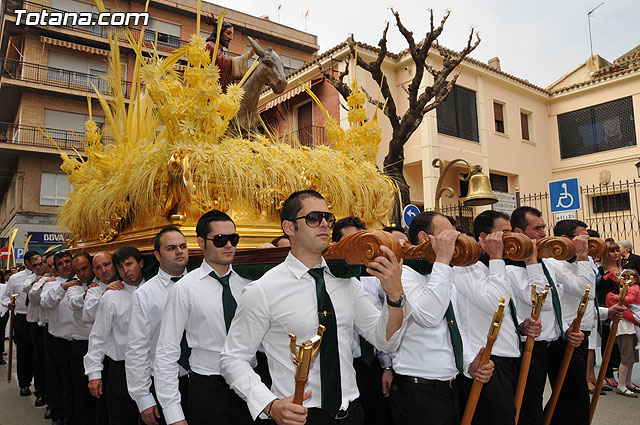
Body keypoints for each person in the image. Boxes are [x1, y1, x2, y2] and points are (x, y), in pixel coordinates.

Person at [221, 190, 409, 425]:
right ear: (289, 227)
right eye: (313, 218)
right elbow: (233, 358)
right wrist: (269, 404)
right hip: (299, 416)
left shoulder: (347, 284)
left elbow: (386, 341)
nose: (323, 224)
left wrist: (394, 295)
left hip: (352, 413)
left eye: (327, 218)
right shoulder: (263, 290)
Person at [389, 211, 494, 425]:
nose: (455, 239)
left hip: (448, 386)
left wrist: (469, 363)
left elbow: (454, 326)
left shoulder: (442, 273)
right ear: (424, 238)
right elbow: (429, 316)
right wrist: (443, 261)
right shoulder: (404, 274)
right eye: (447, 234)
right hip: (417, 391)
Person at [155, 211, 253, 425]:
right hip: (208, 388)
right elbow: (166, 351)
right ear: (201, 242)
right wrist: (173, 414)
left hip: (251, 385)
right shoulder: (185, 289)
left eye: (233, 239)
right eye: (220, 240)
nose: (228, 245)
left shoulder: (249, 283)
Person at [454, 210, 541, 425]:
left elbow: (506, 311)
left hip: (510, 360)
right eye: (504, 233)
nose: (511, 238)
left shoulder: (496, 267)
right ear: (484, 238)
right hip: (488, 362)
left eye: (511, 232)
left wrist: (521, 326)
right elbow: (496, 303)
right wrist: (495, 257)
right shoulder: (465, 268)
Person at [507, 207, 587, 425]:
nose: (543, 233)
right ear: (519, 232)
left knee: (574, 401)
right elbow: (543, 302)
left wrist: (567, 329)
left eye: (544, 227)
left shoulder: (550, 262)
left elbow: (580, 290)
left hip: (557, 342)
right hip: (531, 347)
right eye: (537, 228)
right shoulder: (510, 267)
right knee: (529, 408)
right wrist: (531, 262)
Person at [126, 226, 189, 425]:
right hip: (161, 382)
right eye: (171, 248)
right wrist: (143, 398)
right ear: (157, 255)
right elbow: (137, 349)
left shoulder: (199, 284)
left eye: (183, 246)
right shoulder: (144, 294)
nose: (179, 251)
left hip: (199, 383)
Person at [333, 216, 393, 425]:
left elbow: (382, 324)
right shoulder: (332, 281)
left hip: (371, 365)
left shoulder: (374, 276)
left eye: (360, 241)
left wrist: (387, 366)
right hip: (342, 367)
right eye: (350, 242)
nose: (356, 248)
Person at [85, 246, 146, 425]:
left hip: (150, 367)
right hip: (121, 370)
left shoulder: (155, 291)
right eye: (120, 267)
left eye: (129, 264)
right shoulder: (111, 297)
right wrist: (94, 374)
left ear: (141, 263)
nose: (126, 271)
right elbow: (98, 337)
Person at [546, 219, 597, 424]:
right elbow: (587, 292)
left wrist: (605, 313)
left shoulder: (586, 261)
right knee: (572, 396)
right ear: (566, 239)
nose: (587, 241)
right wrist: (582, 255)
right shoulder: (552, 262)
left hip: (583, 334)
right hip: (565, 337)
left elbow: (587, 302)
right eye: (582, 236)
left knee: (572, 397)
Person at [41, 251, 81, 425]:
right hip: (60, 342)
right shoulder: (51, 285)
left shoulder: (84, 282)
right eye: (61, 264)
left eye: (67, 261)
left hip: (81, 343)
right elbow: (46, 303)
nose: (65, 265)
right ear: (56, 269)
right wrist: (63, 288)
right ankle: (61, 415)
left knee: (79, 384)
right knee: (62, 382)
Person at [1, 250, 40, 396]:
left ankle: (40, 384)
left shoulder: (44, 276)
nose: (38, 265)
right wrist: (8, 305)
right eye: (35, 262)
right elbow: (5, 297)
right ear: (27, 263)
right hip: (22, 317)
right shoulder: (15, 278)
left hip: (39, 316)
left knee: (38, 352)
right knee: (24, 351)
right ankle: (24, 383)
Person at [67, 252, 99, 425]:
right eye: (77, 270)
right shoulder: (74, 286)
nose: (82, 274)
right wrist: (88, 292)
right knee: (81, 390)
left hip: (102, 346)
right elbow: (74, 303)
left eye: (85, 268)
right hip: (81, 343)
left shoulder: (105, 284)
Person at [88, 251, 118, 425]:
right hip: (108, 358)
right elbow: (90, 313)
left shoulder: (132, 286)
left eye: (107, 264)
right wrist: (106, 293)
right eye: (98, 267)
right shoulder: (94, 291)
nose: (104, 270)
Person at [607, 269, 640, 397]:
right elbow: (620, 311)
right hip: (623, 327)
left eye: (630, 278)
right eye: (624, 277)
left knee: (631, 358)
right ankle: (621, 385)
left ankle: (627, 382)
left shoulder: (632, 290)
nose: (627, 280)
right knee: (626, 358)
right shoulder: (613, 293)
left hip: (632, 327)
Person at [22, 254, 48, 407]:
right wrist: (37, 281)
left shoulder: (51, 277)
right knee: (38, 357)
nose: (39, 267)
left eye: (41, 264)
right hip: (34, 322)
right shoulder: (29, 279)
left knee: (48, 360)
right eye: (35, 265)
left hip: (49, 323)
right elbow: (26, 288)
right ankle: (40, 392)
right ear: (30, 267)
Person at [598, 240, 623, 387]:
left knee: (623, 343)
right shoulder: (601, 270)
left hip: (623, 309)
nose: (615, 254)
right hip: (607, 309)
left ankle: (623, 375)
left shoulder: (624, 268)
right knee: (608, 342)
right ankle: (607, 373)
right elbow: (601, 292)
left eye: (617, 251)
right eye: (612, 251)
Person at [205, 21, 254, 89]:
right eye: (228, 33)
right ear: (219, 32)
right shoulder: (210, 46)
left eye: (232, 34)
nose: (231, 38)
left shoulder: (219, 51)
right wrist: (248, 55)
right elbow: (223, 61)